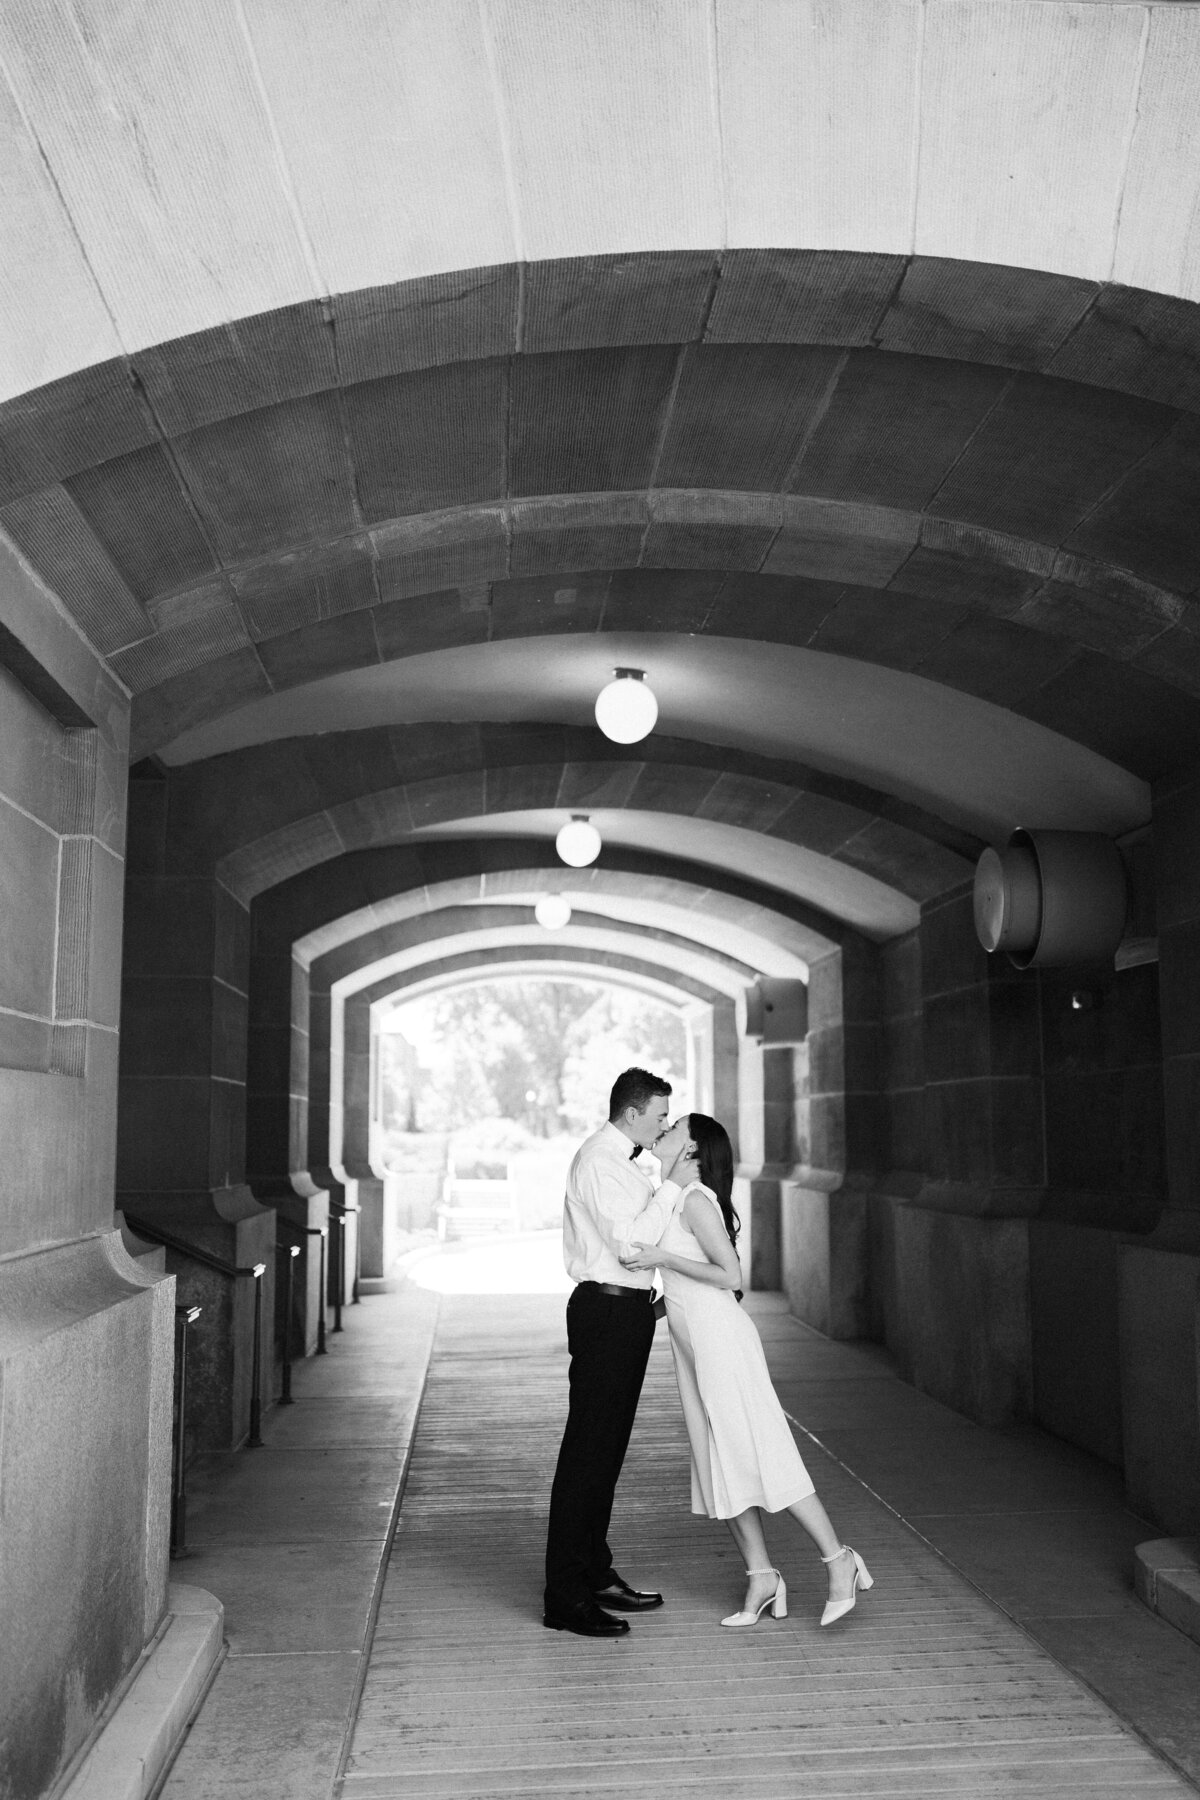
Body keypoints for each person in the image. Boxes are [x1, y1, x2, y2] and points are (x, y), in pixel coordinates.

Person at [622, 1112, 873, 1629]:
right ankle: (761, 1577)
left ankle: (839, 1559)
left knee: (762, 1451)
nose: (664, 1131)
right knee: (719, 1461)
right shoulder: (673, 1197)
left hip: (723, 1344)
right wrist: (642, 1314)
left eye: (675, 1128)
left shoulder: (696, 1200)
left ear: (692, 1149)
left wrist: (663, 1256)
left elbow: (730, 1275)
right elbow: (683, 1285)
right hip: (694, 1346)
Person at [543, 1068, 698, 1638]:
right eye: (660, 1116)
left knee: (606, 1453)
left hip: (626, 1312)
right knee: (587, 1453)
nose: (664, 1125)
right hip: (605, 1312)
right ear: (632, 1114)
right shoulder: (599, 1161)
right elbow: (631, 1246)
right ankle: (564, 1597)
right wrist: (673, 1186)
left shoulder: (627, 1161)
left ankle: (593, 1571)